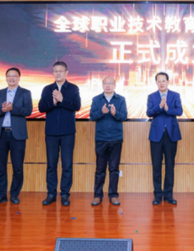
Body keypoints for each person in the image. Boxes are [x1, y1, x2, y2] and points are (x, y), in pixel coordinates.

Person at [38, 61, 81, 206]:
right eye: (55, 71)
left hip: (68, 132)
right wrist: (53, 103)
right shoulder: (47, 89)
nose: (58, 73)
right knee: (51, 164)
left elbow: (77, 106)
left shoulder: (73, 88)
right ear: (53, 73)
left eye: (60, 71)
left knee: (67, 165)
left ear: (66, 73)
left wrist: (62, 100)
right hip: (51, 132)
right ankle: (51, 193)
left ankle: (65, 194)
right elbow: (41, 108)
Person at [0, 67, 33, 206]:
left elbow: (28, 111)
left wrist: (12, 109)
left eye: (14, 76)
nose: (11, 78)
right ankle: (1, 195)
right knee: (0, 167)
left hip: (17, 135)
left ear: (19, 78)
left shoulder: (25, 93)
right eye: (9, 76)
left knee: (17, 167)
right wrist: (2, 110)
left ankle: (14, 194)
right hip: (1, 134)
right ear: (6, 78)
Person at [89, 77, 128, 206]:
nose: (108, 85)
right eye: (105, 83)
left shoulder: (121, 99)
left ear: (115, 85)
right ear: (102, 85)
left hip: (116, 138)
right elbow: (92, 116)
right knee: (100, 168)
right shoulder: (96, 99)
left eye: (110, 83)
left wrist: (115, 113)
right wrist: (101, 112)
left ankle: (113, 195)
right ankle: (97, 195)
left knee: (114, 168)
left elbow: (124, 116)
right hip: (101, 138)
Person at [146, 72, 182, 205]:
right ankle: (157, 195)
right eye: (159, 81)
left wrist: (167, 108)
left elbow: (179, 111)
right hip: (156, 135)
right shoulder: (151, 96)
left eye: (163, 80)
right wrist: (159, 107)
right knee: (156, 166)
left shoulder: (175, 95)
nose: (161, 83)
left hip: (171, 134)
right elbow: (149, 112)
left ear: (168, 82)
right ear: (156, 83)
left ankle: (168, 195)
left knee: (170, 166)